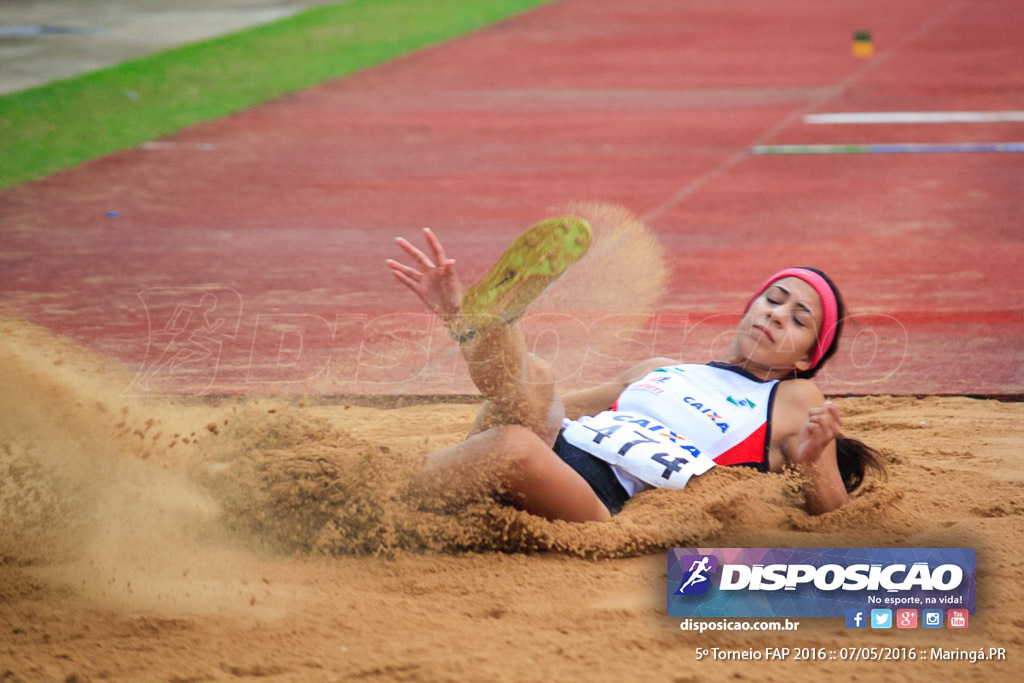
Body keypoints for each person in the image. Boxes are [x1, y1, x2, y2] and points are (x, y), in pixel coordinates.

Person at [386, 215, 884, 523]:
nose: (777, 314)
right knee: (536, 380)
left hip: (599, 497)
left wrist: (816, 456)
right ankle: (476, 325)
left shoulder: (795, 400)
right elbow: (525, 406)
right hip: (558, 447)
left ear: (805, 359)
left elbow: (830, 517)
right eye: (773, 300)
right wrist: (488, 349)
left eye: (799, 319)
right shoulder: (662, 368)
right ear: (749, 307)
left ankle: (378, 501)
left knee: (513, 446)